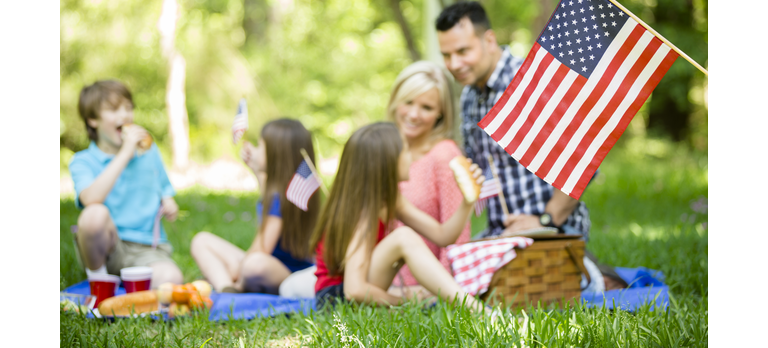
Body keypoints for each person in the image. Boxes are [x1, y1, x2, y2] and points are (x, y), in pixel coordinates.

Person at [436, 0, 592, 240]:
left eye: (463, 51)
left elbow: (584, 160)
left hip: (555, 232)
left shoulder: (532, 80)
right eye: (446, 55)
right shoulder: (469, 97)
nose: (454, 64)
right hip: (502, 234)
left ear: (489, 41)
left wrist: (544, 220)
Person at [310, 122, 487, 312]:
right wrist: (405, 301)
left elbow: (443, 235)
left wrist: (468, 202)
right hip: (335, 302)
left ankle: (469, 305)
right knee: (403, 237)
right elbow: (354, 290)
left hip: (355, 291)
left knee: (406, 243)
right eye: (405, 150)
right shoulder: (363, 212)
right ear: (387, 161)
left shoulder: (391, 199)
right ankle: (477, 310)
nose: (411, 157)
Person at [70, 80, 183, 288]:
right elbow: (90, 199)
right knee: (94, 214)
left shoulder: (148, 152)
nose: (124, 115)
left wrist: (168, 200)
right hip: (106, 249)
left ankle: (132, 281)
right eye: (114, 109)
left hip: (147, 250)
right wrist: (125, 153)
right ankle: (100, 280)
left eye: (128, 108)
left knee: (172, 279)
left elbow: (162, 184)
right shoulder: (83, 161)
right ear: (92, 120)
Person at [190, 119, 319, 294]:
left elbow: (262, 249)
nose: (256, 150)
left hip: (288, 274)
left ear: (275, 154)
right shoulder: (282, 188)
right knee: (201, 240)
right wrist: (256, 168)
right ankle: (226, 288)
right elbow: (265, 188)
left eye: (260, 145)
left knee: (253, 264)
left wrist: (238, 268)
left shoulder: (283, 198)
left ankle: (233, 285)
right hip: (272, 263)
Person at [385, 61, 470, 290]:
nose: (414, 114)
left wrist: (442, 291)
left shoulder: (444, 154)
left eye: (427, 107)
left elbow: (457, 236)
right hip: (379, 279)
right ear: (395, 100)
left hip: (425, 286)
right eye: (408, 102)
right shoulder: (383, 151)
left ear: (441, 113)